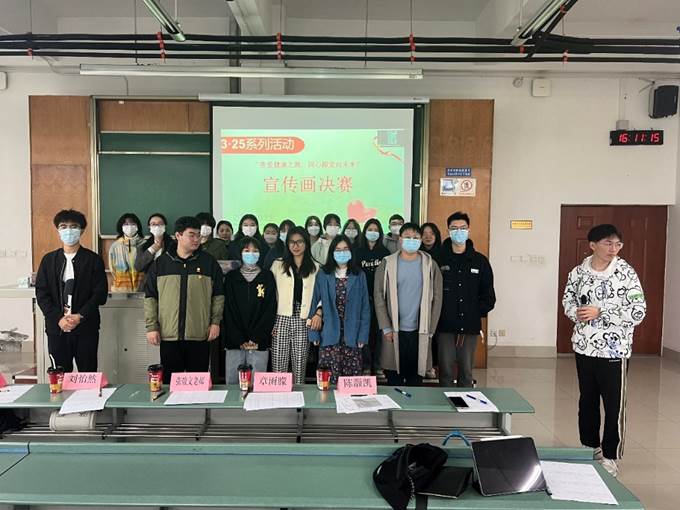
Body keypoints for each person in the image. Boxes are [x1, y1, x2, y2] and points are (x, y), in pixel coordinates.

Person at [562, 224, 646, 478]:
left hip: (614, 351)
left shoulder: (626, 273)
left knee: (613, 405)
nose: (613, 249)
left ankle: (610, 456)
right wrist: (576, 313)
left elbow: (638, 311)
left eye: (617, 244)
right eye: (608, 243)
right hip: (584, 347)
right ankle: (590, 448)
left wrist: (602, 312)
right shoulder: (578, 272)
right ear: (592, 245)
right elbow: (568, 301)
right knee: (587, 401)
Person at [144, 216, 225, 383]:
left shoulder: (209, 263)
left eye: (198, 235)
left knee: (198, 383)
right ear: (178, 236)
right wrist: (151, 327)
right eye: (191, 235)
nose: (197, 239)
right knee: (170, 384)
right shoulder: (161, 263)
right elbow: (151, 298)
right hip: (169, 336)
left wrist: (215, 322)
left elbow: (218, 296)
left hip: (200, 335)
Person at [35, 209, 108, 372]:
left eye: (74, 226)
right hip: (57, 328)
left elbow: (100, 294)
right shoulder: (49, 260)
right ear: (58, 230)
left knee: (87, 372)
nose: (68, 230)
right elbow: (42, 294)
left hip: (86, 327)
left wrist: (80, 316)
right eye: (63, 226)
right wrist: (58, 318)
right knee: (60, 374)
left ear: (81, 230)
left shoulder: (93, 260)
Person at [374, 223, 443, 386]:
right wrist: (386, 327)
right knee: (393, 378)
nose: (411, 240)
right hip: (393, 330)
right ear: (400, 239)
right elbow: (379, 296)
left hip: (420, 330)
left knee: (415, 379)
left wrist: (431, 329)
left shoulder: (429, 264)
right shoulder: (387, 263)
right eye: (407, 237)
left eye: (415, 237)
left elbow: (437, 298)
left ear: (420, 240)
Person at [437, 212, 495, 388]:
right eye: (454, 228)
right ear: (448, 231)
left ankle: (465, 404)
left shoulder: (480, 261)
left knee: (466, 373)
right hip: (444, 326)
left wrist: (474, 312)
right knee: (445, 372)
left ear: (468, 230)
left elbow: (488, 295)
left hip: (469, 327)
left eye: (462, 228)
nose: (458, 232)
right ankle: (444, 404)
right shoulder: (438, 259)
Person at [309, 235, 370, 384]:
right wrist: (313, 333)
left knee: (351, 383)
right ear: (332, 252)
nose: (342, 253)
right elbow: (315, 301)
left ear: (351, 252)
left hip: (352, 335)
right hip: (329, 334)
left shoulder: (359, 275)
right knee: (328, 381)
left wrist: (363, 335)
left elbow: (365, 308)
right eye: (338, 250)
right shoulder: (323, 274)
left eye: (345, 249)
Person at [270, 227, 321, 384]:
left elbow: (321, 295)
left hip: (303, 319)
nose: (295, 246)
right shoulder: (278, 265)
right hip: (281, 318)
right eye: (292, 242)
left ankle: (299, 398)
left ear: (306, 243)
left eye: (299, 242)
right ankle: (279, 397)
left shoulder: (316, 267)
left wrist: (318, 312)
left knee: (299, 367)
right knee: (279, 366)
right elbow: (270, 294)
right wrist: (270, 322)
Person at [223, 236, 277, 383]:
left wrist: (256, 337)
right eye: (247, 250)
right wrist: (239, 338)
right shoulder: (231, 277)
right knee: (233, 383)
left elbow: (270, 308)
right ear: (240, 253)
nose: (251, 254)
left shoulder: (267, 276)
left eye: (255, 250)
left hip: (259, 341)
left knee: (257, 384)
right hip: (235, 341)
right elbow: (228, 310)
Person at [355, 218, 390, 374]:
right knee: (365, 331)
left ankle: (378, 364)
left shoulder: (385, 253)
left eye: (376, 230)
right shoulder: (357, 252)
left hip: (381, 299)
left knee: (379, 332)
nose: (373, 233)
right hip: (362, 298)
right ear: (365, 232)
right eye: (370, 229)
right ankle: (366, 365)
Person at [109, 213, 145, 292]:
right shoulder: (115, 246)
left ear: (137, 226)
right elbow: (112, 269)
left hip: (142, 290)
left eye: (133, 224)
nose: (129, 227)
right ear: (121, 227)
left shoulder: (145, 245)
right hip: (120, 290)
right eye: (126, 224)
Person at [134, 213, 175, 277]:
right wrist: (152, 249)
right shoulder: (143, 247)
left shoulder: (174, 245)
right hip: (149, 281)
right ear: (149, 227)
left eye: (160, 224)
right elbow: (138, 267)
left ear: (165, 226)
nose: (157, 226)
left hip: (169, 280)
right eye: (153, 224)